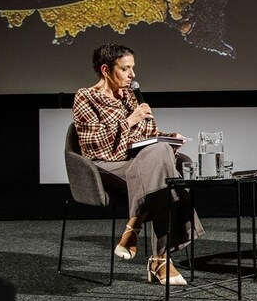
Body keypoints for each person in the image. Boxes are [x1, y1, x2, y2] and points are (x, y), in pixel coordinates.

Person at [72, 43, 204, 286]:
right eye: (125, 69)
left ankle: (133, 228)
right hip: (103, 166)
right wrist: (129, 120)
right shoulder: (86, 96)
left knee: (161, 157)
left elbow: (148, 135)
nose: (132, 75)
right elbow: (95, 145)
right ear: (105, 70)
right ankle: (159, 260)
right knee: (165, 180)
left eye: (133, 68)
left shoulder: (131, 97)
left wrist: (169, 137)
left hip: (136, 162)